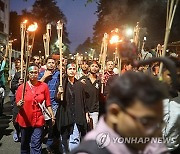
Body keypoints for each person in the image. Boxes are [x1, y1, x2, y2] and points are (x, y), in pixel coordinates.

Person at [72, 71, 169, 154]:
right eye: (146, 122)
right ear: (115, 113)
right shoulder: (92, 150)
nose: (155, 133)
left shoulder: (150, 144)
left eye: (158, 123)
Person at [15, 64, 55, 154]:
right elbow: (17, 104)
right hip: (25, 120)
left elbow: (48, 103)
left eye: (36, 72)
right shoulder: (22, 87)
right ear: (28, 74)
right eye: (31, 72)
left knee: (36, 143)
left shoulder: (44, 86)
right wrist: (19, 104)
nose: (33, 74)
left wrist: (52, 116)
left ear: (38, 73)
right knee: (25, 144)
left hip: (38, 119)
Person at [56, 61, 88, 153]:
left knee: (75, 138)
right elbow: (57, 99)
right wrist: (59, 93)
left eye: (74, 69)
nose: (72, 71)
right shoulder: (62, 84)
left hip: (77, 115)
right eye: (70, 69)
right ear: (66, 70)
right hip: (65, 114)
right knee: (64, 139)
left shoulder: (80, 85)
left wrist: (86, 114)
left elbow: (83, 101)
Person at [38, 55, 60, 150]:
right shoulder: (41, 73)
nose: (51, 64)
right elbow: (36, 86)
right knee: (41, 125)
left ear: (55, 65)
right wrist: (44, 77)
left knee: (52, 124)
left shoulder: (59, 74)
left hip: (54, 103)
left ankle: (50, 145)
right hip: (42, 103)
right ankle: (37, 142)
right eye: (49, 62)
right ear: (46, 64)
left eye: (53, 63)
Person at [80, 61, 101, 129]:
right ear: (89, 68)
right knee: (84, 131)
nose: (94, 68)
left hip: (95, 109)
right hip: (84, 109)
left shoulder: (100, 81)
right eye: (92, 66)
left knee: (94, 130)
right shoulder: (83, 80)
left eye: (96, 66)